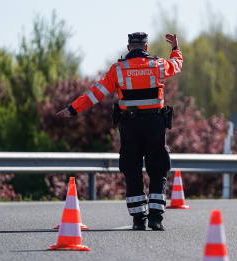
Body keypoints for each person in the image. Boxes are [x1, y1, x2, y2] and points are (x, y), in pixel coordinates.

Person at [56, 32, 183, 231]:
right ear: (146, 47)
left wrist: (72, 109)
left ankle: (138, 219)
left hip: (130, 126)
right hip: (155, 124)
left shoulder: (119, 69)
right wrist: (175, 48)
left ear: (128, 48)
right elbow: (177, 65)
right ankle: (156, 218)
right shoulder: (158, 65)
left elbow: (96, 93)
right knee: (158, 169)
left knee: (132, 170)